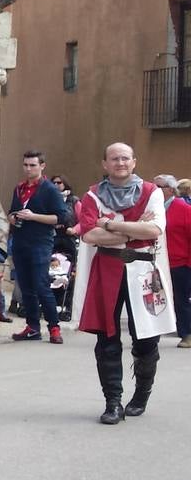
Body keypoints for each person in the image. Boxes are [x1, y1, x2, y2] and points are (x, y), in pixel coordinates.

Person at [72, 143, 172, 425]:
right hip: (107, 268)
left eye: (125, 158)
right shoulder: (93, 195)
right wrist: (133, 229)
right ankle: (113, 402)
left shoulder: (151, 192)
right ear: (105, 164)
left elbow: (154, 229)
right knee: (107, 337)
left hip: (143, 271)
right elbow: (89, 236)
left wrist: (110, 224)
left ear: (134, 162)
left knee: (147, 338)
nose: (120, 163)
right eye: (114, 158)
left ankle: (140, 396)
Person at [7, 150, 68, 344]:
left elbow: (61, 218)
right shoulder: (19, 188)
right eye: (25, 165)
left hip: (40, 242)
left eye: (32, 165)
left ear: (42, 166)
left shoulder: (49, 189)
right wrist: (13, 217)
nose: (28, 169)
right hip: (20, 241)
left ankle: (54, 327)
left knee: (41, 285)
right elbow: (12, 211)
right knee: (26, 287)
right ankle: (33, 326)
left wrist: (33, 216)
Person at [168, 178, 191, 349]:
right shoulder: (154, 209)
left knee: (182, 299)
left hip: (182, 261)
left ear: (170, 189)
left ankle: (187, 334)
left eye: (159, 186)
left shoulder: (183, 208)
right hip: (163, 261)